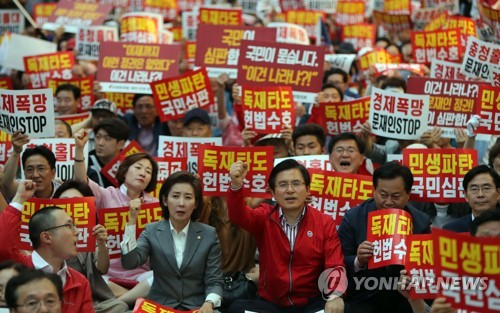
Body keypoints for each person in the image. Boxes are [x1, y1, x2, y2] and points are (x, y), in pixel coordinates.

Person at [227, 159, 345, 313]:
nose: (290, 190)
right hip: (271, 304)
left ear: (308, 189)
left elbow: (334, 263)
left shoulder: (323, 222)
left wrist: (335, 295)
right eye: (282, 185)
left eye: (296, 183)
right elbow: (238, 216)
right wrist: (236, 186)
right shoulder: (264, 217)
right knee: (236, 309)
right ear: (273, 192)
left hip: (310, 303)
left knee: (342, 308)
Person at [73, 129, 158, 302]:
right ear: (125, 171)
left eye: (148, 171)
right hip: (108, 275)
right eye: (138, 167)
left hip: (141, 275)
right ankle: (133, 299)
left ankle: (118, 304)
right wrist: (79, 150)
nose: (143, 173)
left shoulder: (155, 205)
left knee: (159, 278)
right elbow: (81, 182)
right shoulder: (106, 195)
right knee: (91, 282)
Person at [121, 171, 223, 312]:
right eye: (175, 196)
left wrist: (209, 303)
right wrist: (132, 221)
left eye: (188, 197)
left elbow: (214, 280)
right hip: (160, 306)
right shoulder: (152, 231)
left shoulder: (208, 234)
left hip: (197, 307)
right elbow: (130, 262)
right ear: (164, 200)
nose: (181, 203)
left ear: (196, 204)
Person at [338, 162, 431, 313]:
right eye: (383, 195)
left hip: (402, 297)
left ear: (408, 195)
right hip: (363, 295)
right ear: (374, 191)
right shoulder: (353, 218)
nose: (388, 202)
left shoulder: (421, 223)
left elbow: (427, 271)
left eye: (395, 196)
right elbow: (338, 262)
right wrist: (358, 261)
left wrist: (412, 274)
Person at [0, 180, 94, 312]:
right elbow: (3, 243)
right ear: (46, 237)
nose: (77, 232)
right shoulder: (19, 268)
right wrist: (20, 198)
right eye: (69, 225)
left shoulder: (79, 282)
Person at [52, 180, 129, 313]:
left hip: (85, 299)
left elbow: (102, 269)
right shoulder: (46, 231)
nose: (70, 205)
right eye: (64, 201)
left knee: (119, 306)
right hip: (53, 298)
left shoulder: (90, 234)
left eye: (76, 201)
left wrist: (101, 244)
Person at [0, 133, 59, 201]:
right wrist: (16, 152)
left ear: (53, 173)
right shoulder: (21, 189)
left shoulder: (63, 192)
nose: (35, 175)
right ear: (24, 172)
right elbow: (6, 183)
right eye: (30, 169)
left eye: (41, 169)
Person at [443, 165, 500, 232]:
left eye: (486, 188)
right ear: (466, 196)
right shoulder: (451, 230)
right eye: (474, 189)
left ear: (498, 193)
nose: (480, 194)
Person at [87, 118, 130, 188]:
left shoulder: (129, 165)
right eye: (98, 137)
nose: (100, 143)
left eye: (107, 139)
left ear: (121, 144)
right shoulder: (86, 162)